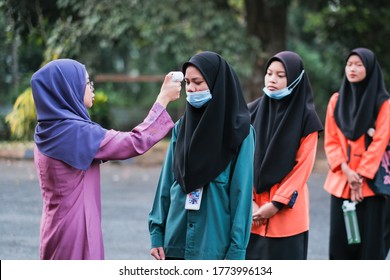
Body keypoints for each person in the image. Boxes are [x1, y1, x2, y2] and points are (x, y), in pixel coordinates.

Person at [31, 58, 181, 260]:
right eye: (86, 82)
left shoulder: (46, 130)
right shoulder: (76, 133)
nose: (91, 87)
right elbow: (135, 141)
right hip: (76, 230)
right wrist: (163, 99)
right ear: (68, 89)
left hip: (54, 226)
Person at [148, 51, 255, 260]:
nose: (191, 89)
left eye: (198, 82)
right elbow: (166, 183)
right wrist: (157, 234)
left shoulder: (239, 132)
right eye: (187, 82)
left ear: (217, 83)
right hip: (175, 241)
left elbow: (241, 195)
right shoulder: (181, 128)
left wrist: (237, 250)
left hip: (214, 247)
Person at [245, 51, 323, 260]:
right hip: (251, 214)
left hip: (287, 215)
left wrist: (276, 204)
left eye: (281, 75)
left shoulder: (306, 118)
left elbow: (303, 167)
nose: (272, 79)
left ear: (296, 79)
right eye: (269, 73)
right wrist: (249, 199)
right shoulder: (251, 112)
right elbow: (240, 159)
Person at [323, 47, 390, 259]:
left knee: (371, 246)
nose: (352, 68)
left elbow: (380, 142)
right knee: (340, 244)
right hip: (341, 181)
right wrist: (346, 171)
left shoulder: (383, 104)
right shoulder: (336, 100)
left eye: (359, 64)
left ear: (369, 69)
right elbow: (331, 140)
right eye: (349, 64)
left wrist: (359, 177)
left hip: (370, 186)